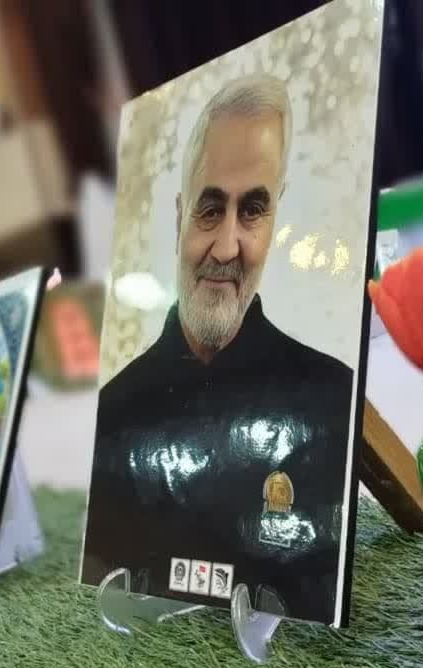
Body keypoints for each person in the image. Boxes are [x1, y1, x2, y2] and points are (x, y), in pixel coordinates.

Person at [82, 74, 354, 623]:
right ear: (179, 216)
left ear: (274, 219)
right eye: (210, 210)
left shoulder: (333, 401)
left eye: (252, 210)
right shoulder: (113, 414)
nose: (227, 247)